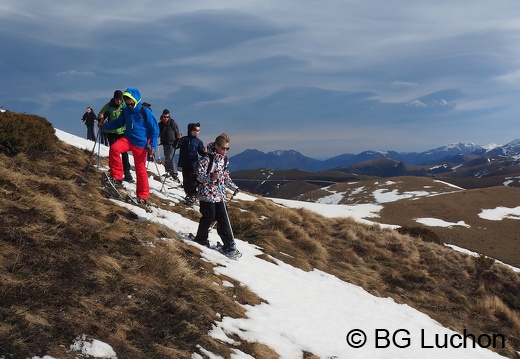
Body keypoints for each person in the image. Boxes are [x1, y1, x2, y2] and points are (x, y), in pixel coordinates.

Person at [100, 88, 159, 204]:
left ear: (136, 100)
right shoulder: (126, 111)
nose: (129, 105)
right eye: (127, 103)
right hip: (128, 139)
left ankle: (142, 197)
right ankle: (117, 177)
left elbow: (155, 130)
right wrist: (105, 126)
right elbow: (118, 123)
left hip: (141, 144)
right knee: (115, 148)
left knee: (140, 169)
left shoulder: (145, 111)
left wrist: (153, 145)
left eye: (131, 103)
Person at [193, 133, 240, 258]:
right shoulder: (206, 158)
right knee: (209, 216)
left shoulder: (224, 160)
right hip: (206, 194)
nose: (225, 151)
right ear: (216, 146)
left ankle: (229, 244)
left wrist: (234, 188)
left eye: (227, 148)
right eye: (223, 148)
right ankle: (201, 239)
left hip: (219, 194)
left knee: (223, 217)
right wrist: (211, 178)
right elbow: (198, 176)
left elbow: (225, 178)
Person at [98, 90, 134, 182]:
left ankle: (127, 172)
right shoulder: (109, 106)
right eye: (117, 99)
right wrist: (101, 119)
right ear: (114, 98)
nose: (119, 101)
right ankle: (114, 170)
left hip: (123, 131)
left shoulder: (124, 105)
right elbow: (101, 115)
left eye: (120, 99)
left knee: (124, 152)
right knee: (113, 151)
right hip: (111, 131)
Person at [177, 122, 206, 205]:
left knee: (192, 179)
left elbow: (201, 153)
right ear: (190, 130)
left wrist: (204, 152)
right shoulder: (184, 139)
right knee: (186, 179)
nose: (197, 132)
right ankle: (188, 194)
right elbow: (175, 146)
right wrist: (178, 139)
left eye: (198, 130)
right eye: (195, 130)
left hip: (193, 163)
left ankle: (192, 194)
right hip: (185, 163)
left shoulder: (199, 142)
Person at [158, 109, 181, 180]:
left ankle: (174, 173)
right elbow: (158, 132)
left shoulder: (172, 123)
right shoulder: (160, 124)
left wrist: (178, 139)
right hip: (165, 143)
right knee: (167, 157)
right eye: (164, 117)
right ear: (162, 116)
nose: (166, 118)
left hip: (172, 143)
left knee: (170, 157)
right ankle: (168, 171)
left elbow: (177, 132)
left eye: (167, 117)